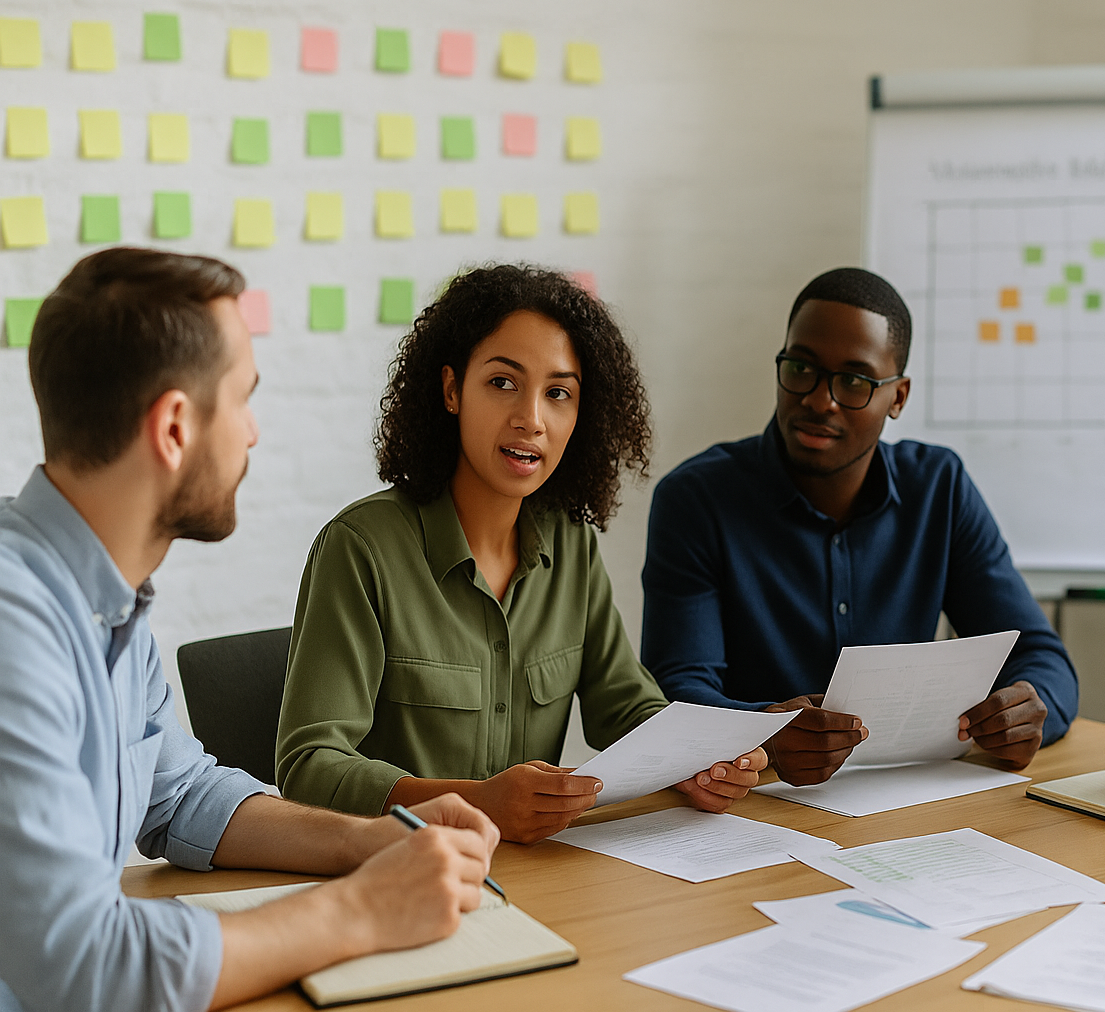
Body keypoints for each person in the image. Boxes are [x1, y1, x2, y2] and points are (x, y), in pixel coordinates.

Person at [0, 248, 503, 1012]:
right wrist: (361, 909)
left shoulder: (102, 598)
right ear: (175, 428)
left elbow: (180, 796)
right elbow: (86, 969)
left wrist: (370, 840)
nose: (254, 433)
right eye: (243, 400)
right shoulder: (16, 625)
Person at [276, 264, 765, 844]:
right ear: (452, 390)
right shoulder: (362, 549)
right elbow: (309, 765)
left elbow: (624, 707)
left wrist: (702, 758)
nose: (531, 419)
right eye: (503, 383)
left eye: (558, 393)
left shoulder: (571, 543)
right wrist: (473, 801)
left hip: (536, 872)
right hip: (400, 868)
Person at [641, 267, 1079, 786]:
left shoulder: (938, 489)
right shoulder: (696, 500)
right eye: (801, 368)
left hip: (905, 796)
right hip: (752, 799)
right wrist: (766, 734)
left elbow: (1040, 657)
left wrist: (1030, 709)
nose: (819, 400)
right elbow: (677, 690)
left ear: (898, 397)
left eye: (853, 381)